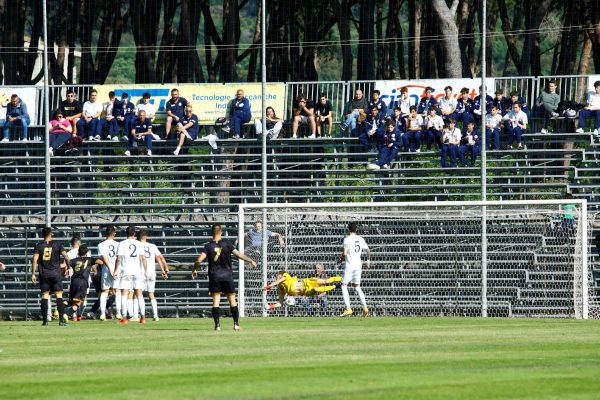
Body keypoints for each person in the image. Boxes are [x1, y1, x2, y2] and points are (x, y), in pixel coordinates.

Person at [191, 224, 257, 331]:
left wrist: (194, 269)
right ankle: (236, 324)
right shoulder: (227, 244)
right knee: (232, 300)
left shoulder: (208, 246)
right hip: (227, 276)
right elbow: (239, 255)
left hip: (214, 277)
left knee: (216, 301)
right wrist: (251, 260)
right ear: (221, 232)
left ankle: (217, 326)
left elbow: (199, 260)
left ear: (212, 232)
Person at [31, 227, 71, 326]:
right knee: (59, 295)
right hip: (55, 274)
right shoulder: (57, 244)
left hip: (44, 274)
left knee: (45, 296)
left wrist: (33, 273)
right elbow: (66, 256)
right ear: (51, 234)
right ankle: (61, 321)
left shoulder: (39, 246)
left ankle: (45, 321)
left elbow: (34, 260)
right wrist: (68, 267)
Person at [114, 226, 147, 324]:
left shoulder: (121, 244)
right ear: (134, 234)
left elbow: (118, 259)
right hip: (137, 272)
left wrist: (116, 270)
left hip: (126, 272)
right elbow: (144, 258)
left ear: (126, 233)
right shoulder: (139, 243)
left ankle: (124, 317)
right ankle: (143, 317)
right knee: (139, 294)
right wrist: (145, 271)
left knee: (124, 294)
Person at [263, 269, 341, 311]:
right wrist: (271, 306)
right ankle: (335, 286)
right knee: (316, 289)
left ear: (280, 275)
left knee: (325, 281)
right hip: (305, 291)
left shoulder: (285, 276)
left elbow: (280, 280)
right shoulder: (280, 289)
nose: (277, 276)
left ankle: (341, 278)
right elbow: (280, 303)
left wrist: (269, 286)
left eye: (278, 275)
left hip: (306, 282)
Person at [338, 222, 370, 317]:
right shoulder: (361, 239)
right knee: (357, 287)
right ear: (356, 230)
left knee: (344, 286)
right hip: (358, 266)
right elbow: (368, 250)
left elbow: (345, 253)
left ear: (348, 230)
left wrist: (341, 260)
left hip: (350, 266)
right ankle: (365, 308)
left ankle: (348, 308)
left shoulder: (347, 239)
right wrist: (368, 261)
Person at [62, 245, 100, 321]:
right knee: (78, 303)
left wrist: (64, 269)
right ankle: (66, 314)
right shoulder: (90, 260)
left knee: (71, 301)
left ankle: (59, 308)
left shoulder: (74, 260)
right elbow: (101, 261)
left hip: (73, 281)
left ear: (78, 252)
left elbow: (64, 265)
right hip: (82, 282)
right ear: (87, 253)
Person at [138, 229, 169, 321]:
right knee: (151, 294)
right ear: (146, 236)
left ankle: (140, 315)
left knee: (138, 294)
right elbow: (160, 257)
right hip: (151, 273)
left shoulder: (137, 245)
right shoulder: (152, 246)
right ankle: (156, 315)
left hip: (141, 273)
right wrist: (165, 268)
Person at [97, 226, 119, 321]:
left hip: (106, 270)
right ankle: (119, 313)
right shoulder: (119, 244)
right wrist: (115, 269)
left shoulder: (101, 244)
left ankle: (102, 314)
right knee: (117, 291)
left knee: (105, 291)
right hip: (117, 270)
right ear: (114, 233)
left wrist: (109, 268)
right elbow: (119, 258)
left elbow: (104, 257)